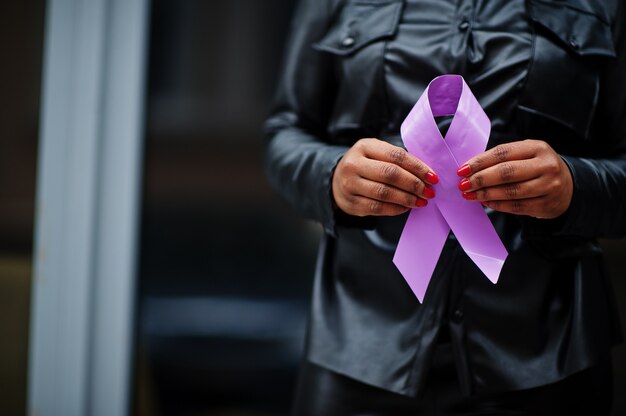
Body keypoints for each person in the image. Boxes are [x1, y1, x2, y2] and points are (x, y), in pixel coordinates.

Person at [264, 0, 626, 414]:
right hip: (361, 342)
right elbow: (284, 133)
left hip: (547, 353)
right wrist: (330, 175)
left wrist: (576, 186)